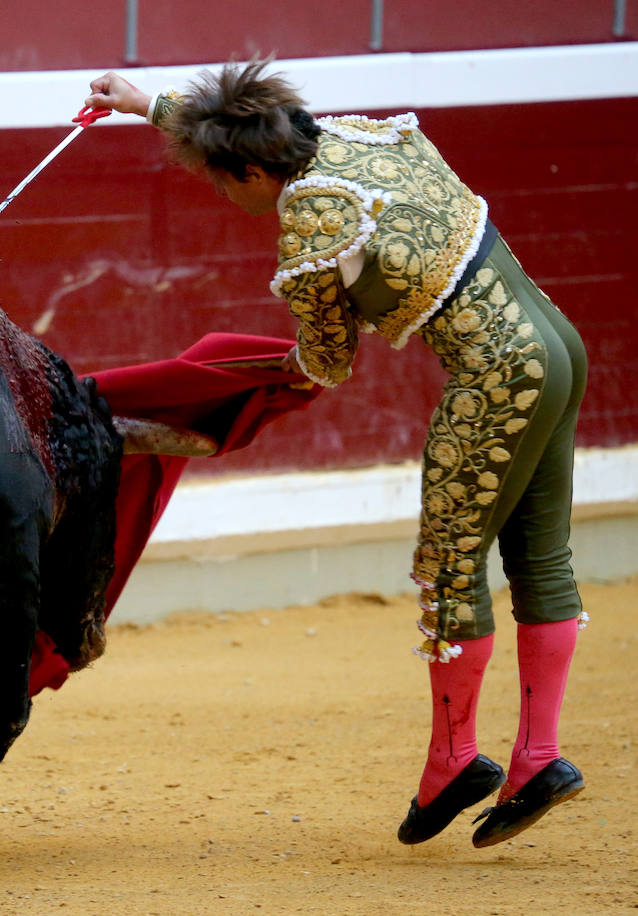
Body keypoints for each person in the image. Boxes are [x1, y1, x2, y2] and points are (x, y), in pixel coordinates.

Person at [82, 60, 588, 848]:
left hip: (496, 375)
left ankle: (455, 762)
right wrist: (147, 104)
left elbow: (329, 358)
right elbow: (249, 123)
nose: (230, 199)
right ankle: (538, 757)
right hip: (558, 347)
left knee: (451, 567)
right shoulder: (350, 135)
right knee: (540, 556)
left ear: (253, 171)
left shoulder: (314, 218)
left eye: (228, 186)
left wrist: (256, 371)